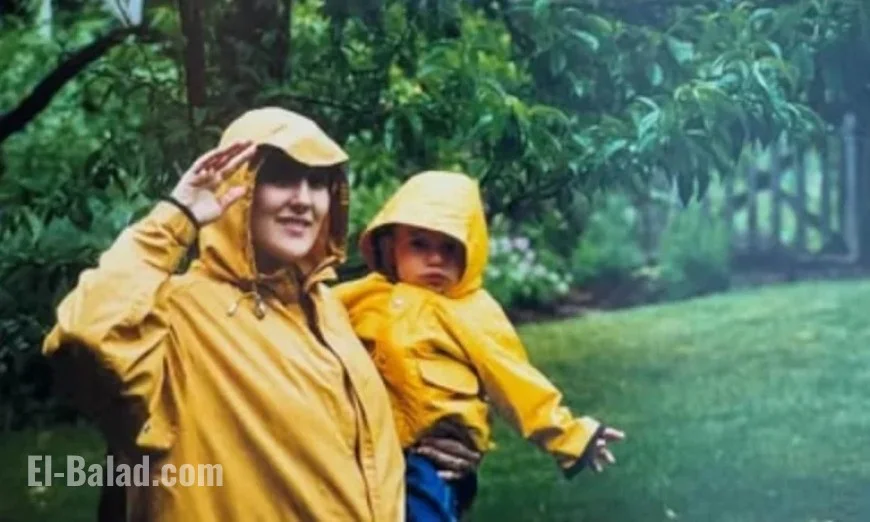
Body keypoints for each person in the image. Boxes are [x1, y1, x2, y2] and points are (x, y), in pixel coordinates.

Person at [42, 108, 477, 521]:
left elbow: (342, 449)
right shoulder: (177, 314)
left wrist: (436, 457)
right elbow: (87, 335)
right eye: (282, 177)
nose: (303, 201)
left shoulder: (330, 311)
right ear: (240, 185)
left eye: (318, 182)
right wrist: (176, 218)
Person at [335, 171, 626, 521]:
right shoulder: (364, 295)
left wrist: (570, 435)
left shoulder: (472, 311)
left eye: (449, 247)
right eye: (419, 244)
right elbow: (311, 309)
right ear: (389, 246)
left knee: (424, 510)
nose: (435, 258)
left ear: (470, 250)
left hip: (435, 449)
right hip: (375, 444)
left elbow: (514, 379)